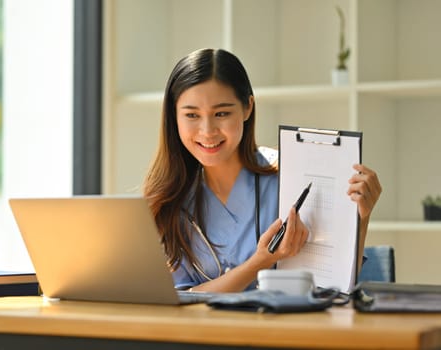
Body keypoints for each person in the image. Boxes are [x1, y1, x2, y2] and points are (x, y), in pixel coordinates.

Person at [143, 48, 382, 293]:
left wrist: (360, 219)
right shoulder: (170, 199)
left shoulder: (291, 177)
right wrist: (260, 262)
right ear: (174, 117)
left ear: (248, 107)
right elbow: (177, 300)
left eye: (222, 113)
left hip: (285, 329)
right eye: (192, 115)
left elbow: (334, 285)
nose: (207, 130)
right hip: (201, 331)